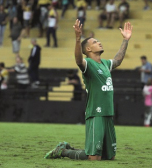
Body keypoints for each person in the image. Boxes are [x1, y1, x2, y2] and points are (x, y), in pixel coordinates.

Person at [44, 19, 132, 160]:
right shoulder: (89, 64)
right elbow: (79, 61)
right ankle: (63, 151)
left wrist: (125, 40)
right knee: (94, 157)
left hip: (108, 113)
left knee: (109, 157)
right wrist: (78, 39)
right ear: (88, 49)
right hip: (95, 113)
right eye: (95, 42)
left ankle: (68, 149)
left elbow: (118, 60)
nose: (99, 42)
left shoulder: (104, 64)